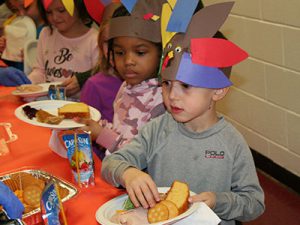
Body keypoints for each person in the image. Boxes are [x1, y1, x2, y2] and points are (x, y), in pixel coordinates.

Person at [101, 2, 265, 225]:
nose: (172, 96)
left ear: (217, 90)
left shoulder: (232, 143)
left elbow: (254, 203)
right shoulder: (157, 129)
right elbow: (111, 164)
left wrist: (220, 201)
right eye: (167, 84)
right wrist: (129, 173)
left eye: (186, 86)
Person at [76, 0, 166, 158]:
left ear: (160, 53)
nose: (128, 61)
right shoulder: (126, 86)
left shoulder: (162, 100)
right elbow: (121, 129)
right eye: (120, 52)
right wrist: (96, 126)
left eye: (140, 52)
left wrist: (102, 135)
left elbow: (143, 155)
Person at [80, 2, 123, 123]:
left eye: (118, 42)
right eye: (107, 42)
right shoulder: (94, 85)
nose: (112, 49)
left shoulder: (149, 86)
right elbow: (84, 130)